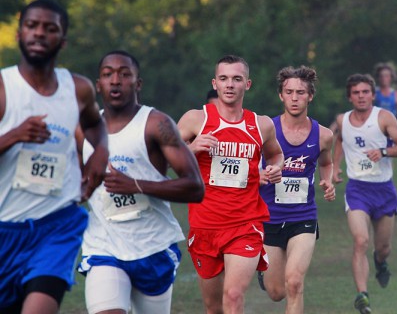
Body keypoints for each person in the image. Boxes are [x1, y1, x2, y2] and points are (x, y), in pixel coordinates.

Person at [0, 0, 109, 313]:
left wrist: (100, 153)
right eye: (31, 26)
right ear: (19, 33)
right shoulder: (5, 88)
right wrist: (13, 135)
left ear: (62, 41)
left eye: (50, 28)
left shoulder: (77, 88)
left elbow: (95, 126)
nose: (39, 33)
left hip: (56, 225)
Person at [77, 51, 205, 313]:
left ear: (138, 84)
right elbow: (77, 184)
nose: (115, 81)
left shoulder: (156, 124)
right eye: (107, 74)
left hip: (152, 246)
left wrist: (135, 185)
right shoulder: (83, 130)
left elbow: (195, 187)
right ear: (98, 84)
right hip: (104, 246)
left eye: (124, 75)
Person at [177, 55, 284, 314]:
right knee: (213, 307)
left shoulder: (261, 125)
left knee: (234, 296)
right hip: (205, 224)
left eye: (237, 79)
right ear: (215, 83)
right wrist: (193, 147)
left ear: (247, 84)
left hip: (244, 224)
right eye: (224, 78)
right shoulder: (195, 119)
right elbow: (168, 158)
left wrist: (276, 168)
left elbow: (276, 154)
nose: (230, 84)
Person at [257, 66, 335, 313]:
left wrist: (328, 180)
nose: (294, 98)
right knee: (276, 292)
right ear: (280, 95)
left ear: (310, 95)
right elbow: (248, 164)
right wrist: (259, 175)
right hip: (268, 217)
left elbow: (326, 162)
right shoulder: (265, 129)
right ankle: (266, 276)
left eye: (300, 92)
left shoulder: (323, 135)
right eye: (288, 92)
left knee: (294, 283)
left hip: (303, 216)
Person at [332, 74, 397, 314]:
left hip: (384, 189)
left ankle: (380, 261)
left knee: (382, 247)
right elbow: (338, 141)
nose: (361, 96)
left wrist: (383, 152)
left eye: (365, 92)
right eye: (356, 92)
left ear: (373, 95)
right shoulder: (342, 120)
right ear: (349, 97)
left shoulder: (384, 117)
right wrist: (335, 167)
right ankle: (362, 296)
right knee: (360, 241)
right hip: (357, 189)